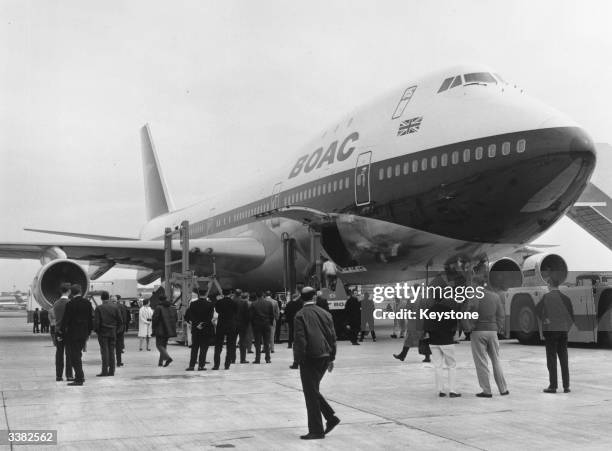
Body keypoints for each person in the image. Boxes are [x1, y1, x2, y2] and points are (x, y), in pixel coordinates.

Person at [293, 286, 340, 440]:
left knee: (310, 394)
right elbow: (332, 336)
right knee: (312, 390)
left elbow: (300, 340)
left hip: (310, 357)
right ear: (314, 297)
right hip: (324, 356)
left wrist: (298, 360)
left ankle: (316, 430)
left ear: (302, 298)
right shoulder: (325, 313)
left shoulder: (300, 315)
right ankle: (330, 418)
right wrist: (332, 357)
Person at [465, 266, 509, 397]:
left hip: (478, 331)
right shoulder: (495, 296)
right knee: (496, 360)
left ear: (474, 284)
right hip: (492, 331)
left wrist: (468, 328)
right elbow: (501, 314)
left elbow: (465, 314)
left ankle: (486, 390)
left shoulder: (473, 297)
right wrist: (498, 327)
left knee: (481, 361)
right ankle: (503, 389)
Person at [536, 276, 575, 394]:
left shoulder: (546, 297)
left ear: (549, 285)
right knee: (564, 359)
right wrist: (566, 328)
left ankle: (553, 386)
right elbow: (571, 317)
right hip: (563, 331)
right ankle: (566, 386)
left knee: (551, 359)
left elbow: (537, 310)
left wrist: (545, 319)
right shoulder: (566, 298)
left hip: (551, 332)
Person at [424, 296, 460, 398]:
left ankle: (440, 390)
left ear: (433, 299)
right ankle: (452, 390)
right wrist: (451, 334)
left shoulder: (428, 311)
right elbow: (454, 324)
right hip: (447, 341)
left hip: (434, 342)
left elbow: (425, 327)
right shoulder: (448, 310)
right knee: (451, 366)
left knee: (438, 366)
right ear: (443, 299)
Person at [61, 284, 93, 386]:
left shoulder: (70, 304)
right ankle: (79, 376)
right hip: (84, 334)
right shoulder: (87, 303)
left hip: (73, 334)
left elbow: (65, 320)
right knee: (78, 354)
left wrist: (61, 332)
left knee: (74, 356)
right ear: (80, 292)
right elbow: (90, 319)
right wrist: (89, 332)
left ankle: (79, 378)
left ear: (71, 292)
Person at [93, 291, 123, 377]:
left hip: (103, 333)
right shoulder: (115, 307)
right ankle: (112, 371)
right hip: (113, 332)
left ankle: (104, 371)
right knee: (112, 351)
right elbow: (120, 321)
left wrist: (97, 331)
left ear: (101, 298)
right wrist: (116, 331)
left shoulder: (99, 308)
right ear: (108, 298)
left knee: (104, 352)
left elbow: (96, 323)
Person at [184, 288, 215, 371]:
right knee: (203, 348)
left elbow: (191, 316)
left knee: (194, 348)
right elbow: (210, 317)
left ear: (198, 295)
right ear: (206, 295)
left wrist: (197, 324)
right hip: (206, 329)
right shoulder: (210, 304)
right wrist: (203, 324)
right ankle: (201, 366)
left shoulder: (193, 304)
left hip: (196, 329)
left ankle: (191, 366)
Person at [52, 283, 73, 381]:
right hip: (69, 332)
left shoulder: (56, 303)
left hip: (58, 331)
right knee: (69, 354)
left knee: (59, 353)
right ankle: (69, 375)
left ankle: (58, 376)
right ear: (69, 291)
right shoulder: (70, 302)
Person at [213, 289, 238, 370]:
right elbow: (235, 312)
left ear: (222, 294)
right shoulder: (233, 302)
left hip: (221, 324)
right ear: (230, 294)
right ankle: (227, 365)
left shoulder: (219, 302)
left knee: (218, 346)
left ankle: (216, 365)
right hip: (231, 325)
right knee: (230, 346)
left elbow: (217, 310)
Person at [152, 294, 178, 367]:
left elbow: (155, 319)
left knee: (159, 345)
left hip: (160, 329)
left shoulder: (158, 307)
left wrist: (153, 328)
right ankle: (160, 362)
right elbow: (176, 319)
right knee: (164, 345)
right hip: (168, 329)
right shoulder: (172, 307)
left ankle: (168, 358)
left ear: (159, 300)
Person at [249, 292, 274, 364]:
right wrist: (270, 323)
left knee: (257, 343)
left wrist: (253, 324)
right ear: (263, 295)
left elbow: (251, 316)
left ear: (256, 296)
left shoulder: (253, 304)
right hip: (266, 324)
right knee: (266, 342)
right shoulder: (269, 303)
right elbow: (271, 315)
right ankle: (268, 358)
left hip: (257, 325)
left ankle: (257, 359)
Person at [113, 295, 131, 367]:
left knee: (110, 347)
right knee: (119, 346)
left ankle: (110, 362)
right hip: (120, 329)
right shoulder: (123, 307)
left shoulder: (110, 307)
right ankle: (119, 362)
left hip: (111, 329)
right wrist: (126, 326)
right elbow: (128, 317)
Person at [235, 291, 251, 364]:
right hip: (242, 324)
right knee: (242, 342)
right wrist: (247, 324)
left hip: (233, 324)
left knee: (232, 342)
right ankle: (242, 359)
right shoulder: (244, 303)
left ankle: (232, 358)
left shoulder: (232, 301)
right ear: (241, 294)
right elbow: (247, 315)